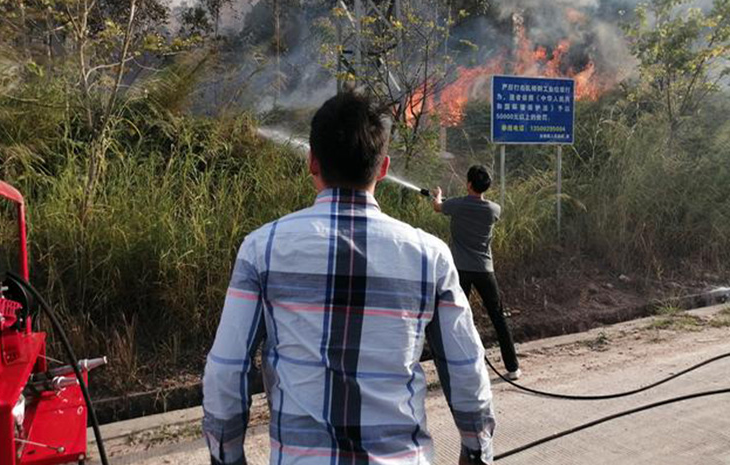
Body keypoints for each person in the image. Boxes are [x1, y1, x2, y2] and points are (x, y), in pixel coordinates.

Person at [202, 91, 496, 465]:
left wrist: (226, 456)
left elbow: (226, 372)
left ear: (312, 161)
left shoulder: (262, 248)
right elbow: (466, 368)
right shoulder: (430, 255)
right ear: (384, 167)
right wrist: (476, 449)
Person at [432, 166, 520, 380]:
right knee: (498, 317)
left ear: (469, 184)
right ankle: (513, 367)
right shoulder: (493, 209)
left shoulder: (457, 205)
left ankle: (458, 368)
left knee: (455, 317)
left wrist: (439, 195)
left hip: (460, 270)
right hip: (484, 270)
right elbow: (474, 207)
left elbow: (438, 207)